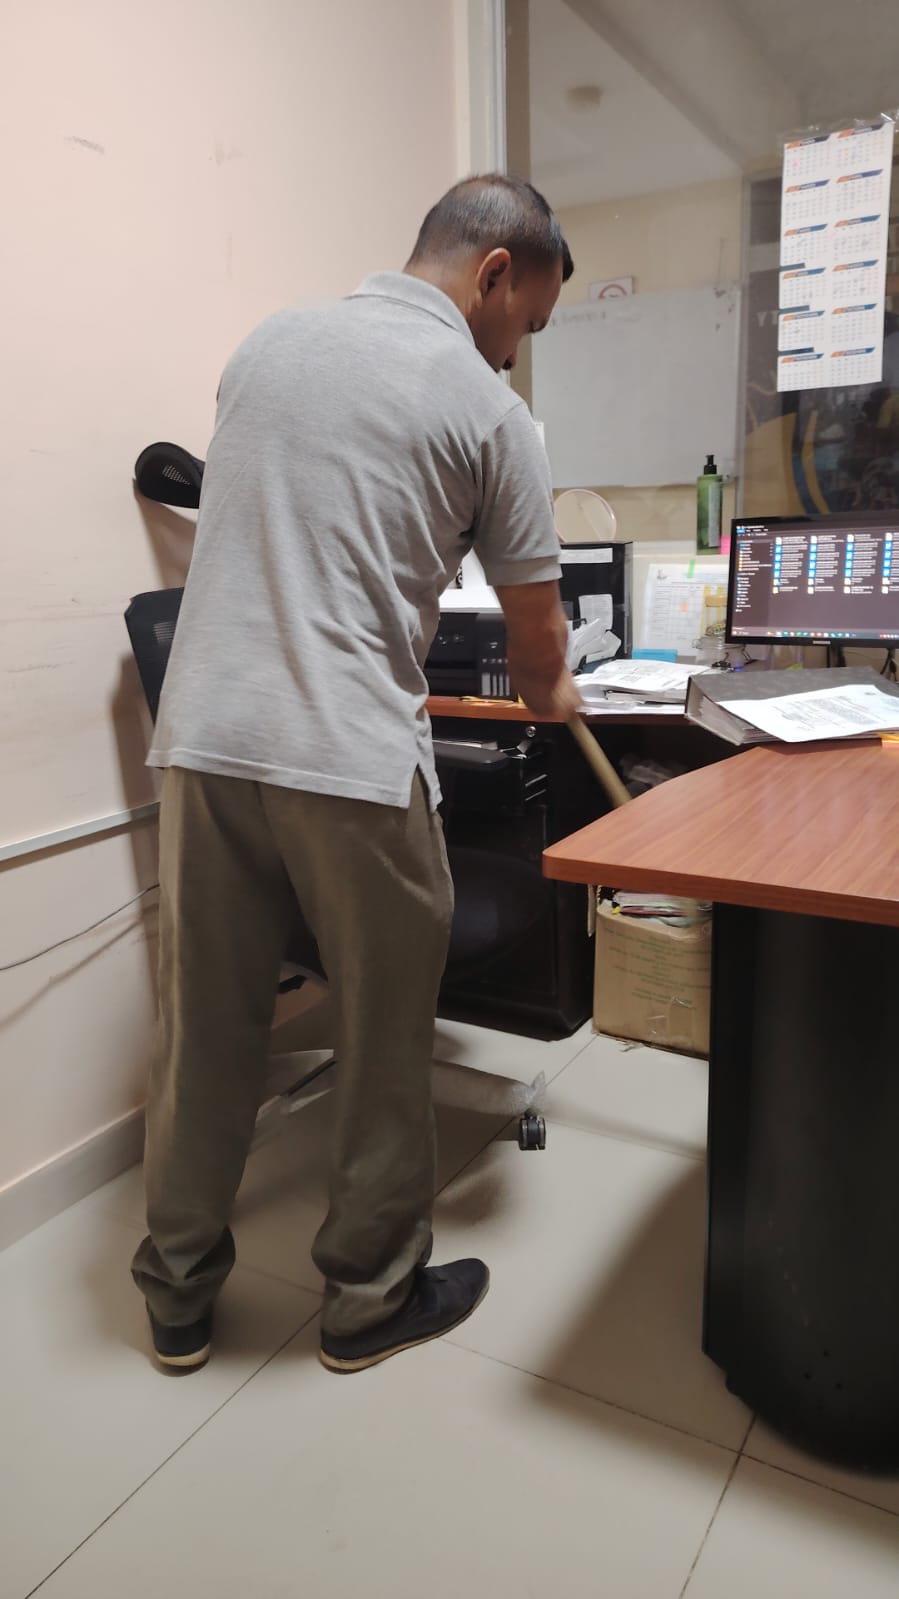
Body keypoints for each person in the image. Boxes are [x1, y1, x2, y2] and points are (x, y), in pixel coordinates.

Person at [132, 173, 580, 1375]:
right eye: (526, 324)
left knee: (205, 1030)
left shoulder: (267, 346)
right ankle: (370, 1298)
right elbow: (538, 654)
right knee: (383, 1032)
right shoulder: (489, 414)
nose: (515, 354)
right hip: (345, 756)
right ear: (495, 274)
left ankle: (175, 1292)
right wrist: (558, 693)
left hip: (203, 739)